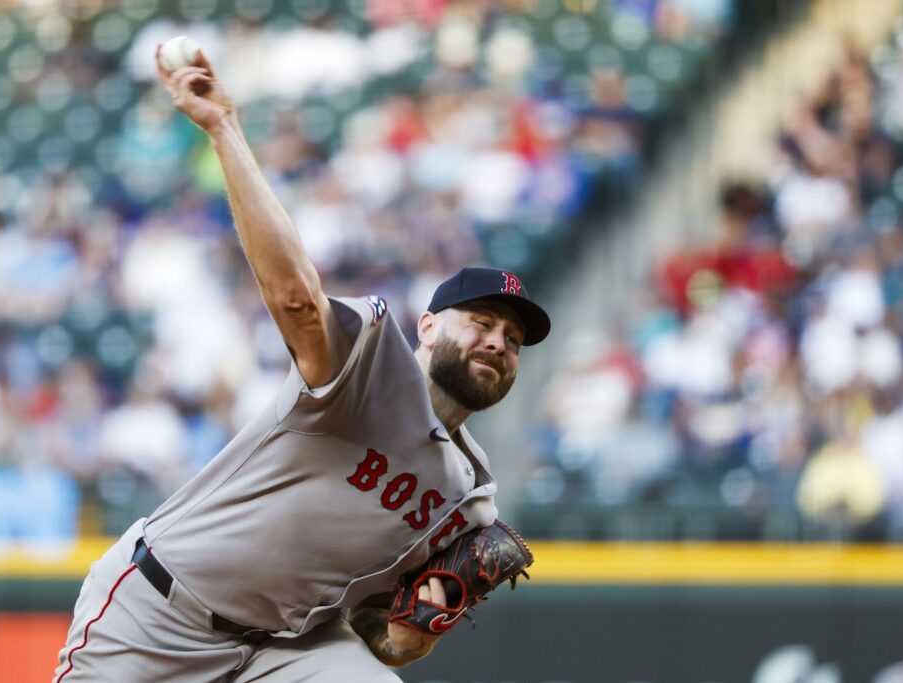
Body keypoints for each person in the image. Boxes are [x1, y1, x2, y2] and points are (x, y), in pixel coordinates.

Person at [54, 45, 550, 682]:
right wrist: (223, 127)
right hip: (159, 614)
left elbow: (384, 636)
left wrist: (413, 632)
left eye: (512, 339)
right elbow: (295, 300)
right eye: (482, 323)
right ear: (427, 326)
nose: (497, 342)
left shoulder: (466, 495)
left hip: (285, 649)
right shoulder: (372, 366)